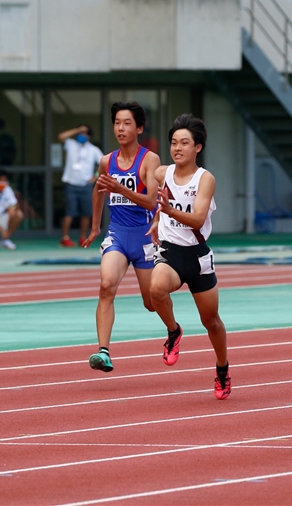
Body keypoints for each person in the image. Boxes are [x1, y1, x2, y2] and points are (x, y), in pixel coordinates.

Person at [148, 114, 231, 400]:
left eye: (184, 143)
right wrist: (158, 219)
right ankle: (173, 331)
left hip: (197, 257)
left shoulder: (204, 179)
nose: (177, 148)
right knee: (155, 288)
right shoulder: (162, 173)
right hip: (171, 252)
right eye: (173, 142)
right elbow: (158, 198)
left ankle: (222, 368)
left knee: (212, 322)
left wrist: (168, 212)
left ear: (198, 147)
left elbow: (196, 219)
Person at [81, 101, 161, 372]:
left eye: (127, 123)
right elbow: (99, 190)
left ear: (139, 128)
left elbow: (151, 202)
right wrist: (95, 227)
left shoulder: (150, 159)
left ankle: (173, 329)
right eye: (117, 122)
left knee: (152, 302)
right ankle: (103, 352)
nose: (121, 128)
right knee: (106, 286)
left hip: (144, 238)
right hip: (117, 234)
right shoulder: (107, 161)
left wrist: (120, 188)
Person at [57, 125, 103, 247]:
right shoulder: (71, 144)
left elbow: (104, 163)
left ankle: (83, 237)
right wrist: (77, 129)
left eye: (84, 133)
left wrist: (95, 176)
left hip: (86, 186)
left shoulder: (93, 150)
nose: (81, 135)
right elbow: (61, 136)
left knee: (86, 213)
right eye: (80, 133)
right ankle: (65, 238)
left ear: (89, 136)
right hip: (71, 184)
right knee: (69, 212)